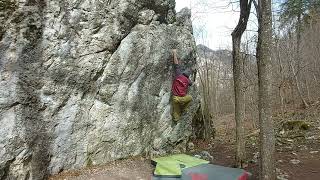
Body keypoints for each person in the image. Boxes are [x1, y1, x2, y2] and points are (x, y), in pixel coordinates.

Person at [171, 49, 193, 121]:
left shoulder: (178, 74)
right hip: (183, 98)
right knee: (190, 98)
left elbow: (176, 64)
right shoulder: (188, 80)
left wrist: (174, 53)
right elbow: (191, 84)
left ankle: (176, 119)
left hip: (175, 98)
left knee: (176, 113)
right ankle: (184, 109)